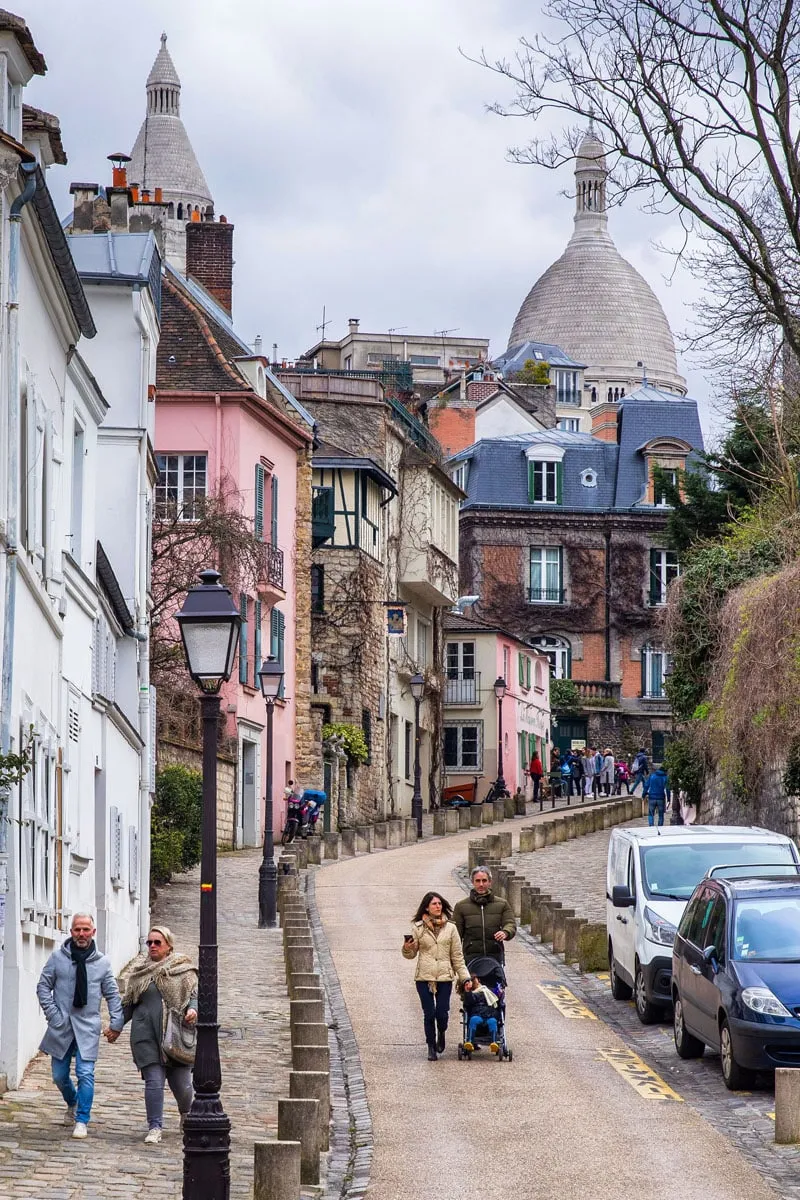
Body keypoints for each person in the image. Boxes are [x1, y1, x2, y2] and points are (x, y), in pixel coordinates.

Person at [36, 912, 124, 1139]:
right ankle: (72, 1101)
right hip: (61, 1025)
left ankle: (82, 1119)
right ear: (71, 931)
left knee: (85, 1073)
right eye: (77, 929)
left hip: (87, 1026)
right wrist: (54, 1015)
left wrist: (116, 1022)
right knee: (59, 1075)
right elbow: (43, 987)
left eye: (86, 929)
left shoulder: (102, 962)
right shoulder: (58, 958)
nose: (82, 934)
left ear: (93, 932)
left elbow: (112, 995)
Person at [118, 925, 198, 1144]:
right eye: (149, 943)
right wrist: (116, 1027)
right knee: (154, 1081)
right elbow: (127, 1004)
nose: (152, 946)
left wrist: (192, 1009)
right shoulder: (139, 974)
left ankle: (186, 1113)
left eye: (157, 942)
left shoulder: (183, 970)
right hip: (146, 1036)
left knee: (182, 1086)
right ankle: (155, 1126)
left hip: (175, 1036)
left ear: (168, 946)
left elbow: (193, 995)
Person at [402, 893, 471, 1060]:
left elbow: (457, 956)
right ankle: (431, 1046)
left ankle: (441, 1031)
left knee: (442, 1013)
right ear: (427, 907)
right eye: (434, 904)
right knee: (429, 1013)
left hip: (444, 976)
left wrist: (465, 978)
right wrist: (407, 947)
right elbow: (411, 955)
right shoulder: (418, 928)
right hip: (424, 977)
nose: (438, 906)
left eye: (439, 903)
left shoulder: (451, 928)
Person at [452, 866, 517, 963]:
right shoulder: (461, 906)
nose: (481, 884)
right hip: (471, 957)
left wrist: (505, 932)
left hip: (495, 956)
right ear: (473, 882)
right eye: (477, 881)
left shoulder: (502, 904)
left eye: (484, 881)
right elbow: (456, 934)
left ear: (490, 882)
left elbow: (510, 923)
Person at [463, 973, 500, 1053]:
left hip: (489, 1015)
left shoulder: (488, 991)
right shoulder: (473, 994)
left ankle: (494, 1043)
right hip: (477, 1014)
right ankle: (469, 1041)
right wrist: (467, 991)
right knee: (473, 1020)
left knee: (493, 1021)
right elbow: (469, 1002)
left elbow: (496, 1000)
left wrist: (500, 993)